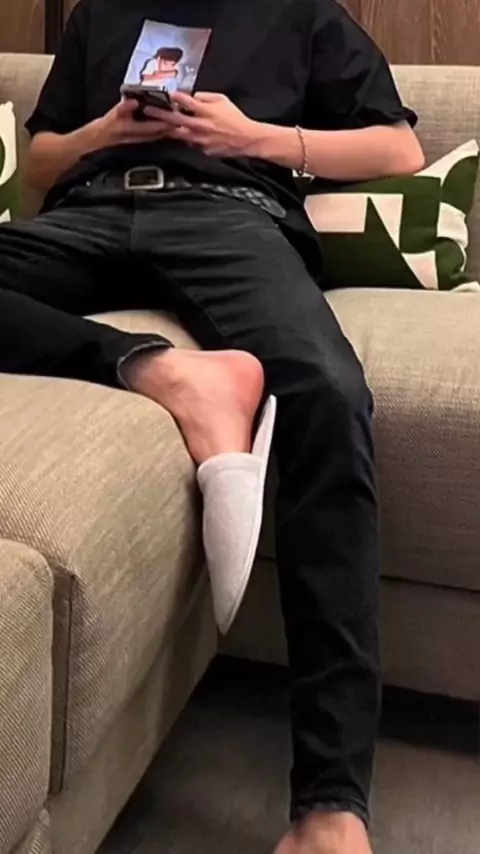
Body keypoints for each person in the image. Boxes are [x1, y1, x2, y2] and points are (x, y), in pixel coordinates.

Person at [0, 0, 425, 851]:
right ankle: (160, 369)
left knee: (327, 391)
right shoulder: (99, 12)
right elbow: (41, 162)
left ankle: (330, 806)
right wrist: (102, 134)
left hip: (229, 214)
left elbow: (398, 148)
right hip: (86, 215)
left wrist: (254, 138)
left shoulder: (301, 12)